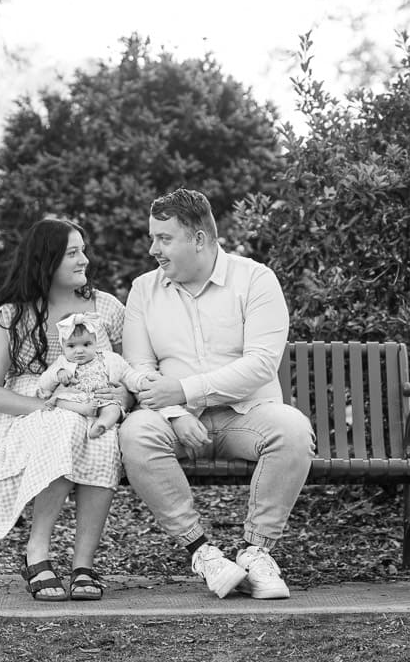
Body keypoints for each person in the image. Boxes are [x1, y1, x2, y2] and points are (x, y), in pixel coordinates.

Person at [120, 187, 315, 600]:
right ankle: (204, 553)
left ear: (200, 239)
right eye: (152, 237)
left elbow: (261, 364)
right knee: (135, 434)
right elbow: (138, 367)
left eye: (164, 238)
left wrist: (188, 389)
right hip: (175, 420)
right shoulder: (144, 289)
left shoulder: (256, 279)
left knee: (294, 430)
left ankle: (256, 553)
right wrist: (176, 409)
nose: (153, 248)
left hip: (246, 415)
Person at [0, 217, 129, 602]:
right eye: (72, 253)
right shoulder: (14, 314)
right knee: (62, 427)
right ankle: (36, 553)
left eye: (83, 250)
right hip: (28, 412)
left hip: (92, 405)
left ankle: (83, 565)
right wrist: (45, 405)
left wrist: (116, 402)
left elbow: (129, 367)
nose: (84, 260)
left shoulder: (104, 307)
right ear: (46, 260)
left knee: (104, 441)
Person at [36, 312, 139, 439]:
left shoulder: (108, 358)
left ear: (95, 342)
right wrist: (57, 374)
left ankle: (102, 424)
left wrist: (140, 383)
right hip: (74, 399)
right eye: (71, 346)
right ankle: (84, 409)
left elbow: (127, 373)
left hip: (101, 398)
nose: (79, 350)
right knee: (60, 400)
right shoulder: (62, 362)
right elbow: (43, 383)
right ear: (63, 346)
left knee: (114, 408)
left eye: (86, 344)